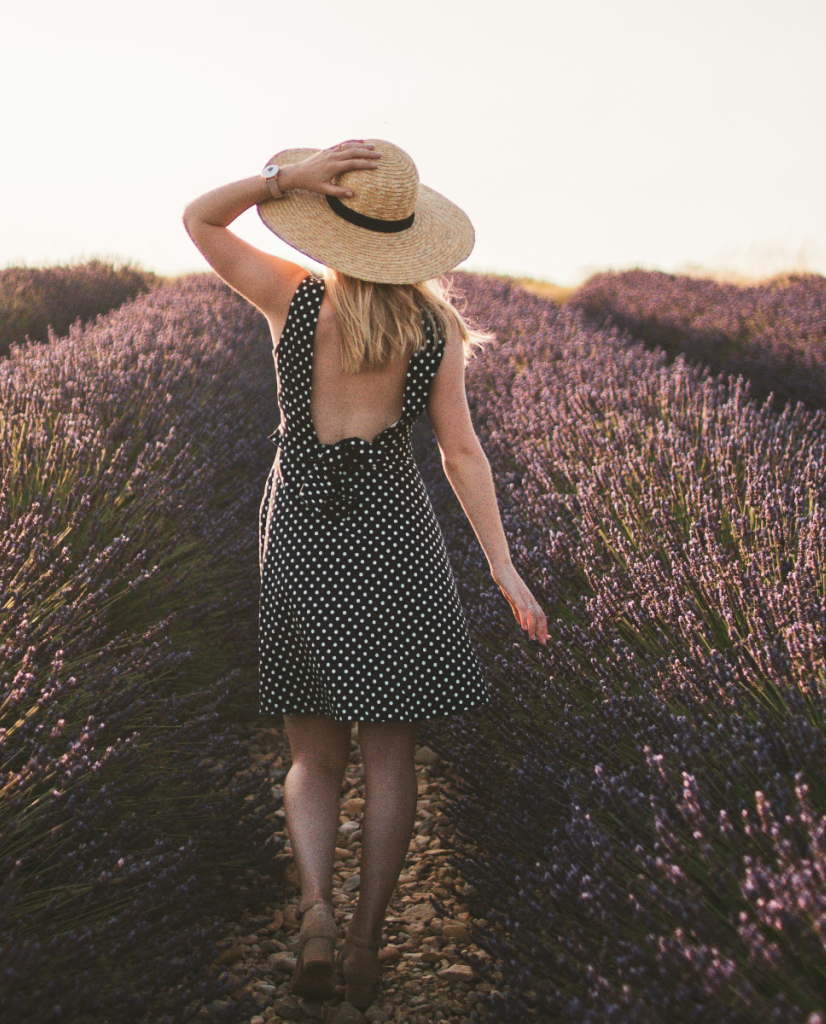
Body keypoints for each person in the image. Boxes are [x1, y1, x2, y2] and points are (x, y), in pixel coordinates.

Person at [182, 139, 548, 1010]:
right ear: (412, 235)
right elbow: (461, 450)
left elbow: (197, 217)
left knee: (312, 754)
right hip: (395, 534)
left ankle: (313, 909)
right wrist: (503, 564)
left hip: (303, 528)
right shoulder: (436, 328)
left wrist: (283, 182)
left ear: (331, 226)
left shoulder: (293, 297)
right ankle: (367, 943)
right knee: (393, 756)